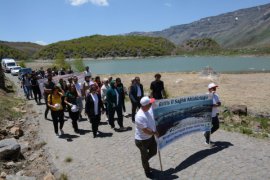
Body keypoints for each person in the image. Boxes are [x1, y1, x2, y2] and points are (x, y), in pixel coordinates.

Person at [135, 96, 158, 178]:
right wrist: (155, 133)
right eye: (150, 104)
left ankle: (144, 161)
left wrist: (153, 100)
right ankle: (147, 171)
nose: (151, 105)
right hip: (142, 140)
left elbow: (154, 101)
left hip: (150, 137)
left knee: (154, 151)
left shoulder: (148, 108)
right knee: (144, 156)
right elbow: (146, 130)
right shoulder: (140, 116)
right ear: (145, 105)